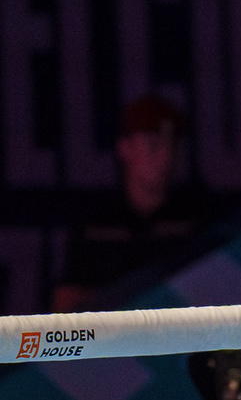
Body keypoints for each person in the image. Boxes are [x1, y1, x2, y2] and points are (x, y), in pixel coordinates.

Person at [57, 96, 210, 311]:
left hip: (179, 340)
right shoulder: (95, 225)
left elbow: (215, 296)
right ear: (124, 147)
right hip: (111, 340)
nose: (166, 157)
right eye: (153, 145)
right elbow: (66, 308)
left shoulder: (198, 220)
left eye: (174, 146)